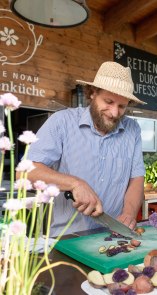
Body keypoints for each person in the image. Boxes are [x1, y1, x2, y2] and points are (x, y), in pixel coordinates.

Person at [22, 61, 146, 237]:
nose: (114, 112)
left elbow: (136, 178)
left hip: (114, 237)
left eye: (122, 106)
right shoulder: (61, 122)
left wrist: (129, 213)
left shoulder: (132, 129)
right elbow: (25, 173)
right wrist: (75, 183)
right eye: (109, 101)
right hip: (67, 239)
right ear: (93, 93)